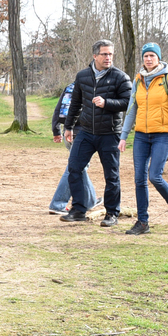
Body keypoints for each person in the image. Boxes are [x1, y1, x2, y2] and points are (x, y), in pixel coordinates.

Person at [60, 40, 131, 226]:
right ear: (95, 56)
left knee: (111, 175)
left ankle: (112, 213)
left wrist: (107, 103)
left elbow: (128, 102)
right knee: (74, 168)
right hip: (86, 132)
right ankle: (78, 209)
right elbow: (75, 103)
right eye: (104, 54)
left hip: (110, 133)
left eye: (110, 54)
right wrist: (68, 127)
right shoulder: (82, 76)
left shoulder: (120, 77)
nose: (108, 58)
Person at [118, 43, 168, 235]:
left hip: (162, 134)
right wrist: (124, 136)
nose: (148, 59)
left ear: (158, 58)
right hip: (141, 136)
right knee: (139, 178)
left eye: (152, 56)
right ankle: (143, 223)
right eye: (146, 56)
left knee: (154, 176)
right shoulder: (138, 80)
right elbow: (131, 110)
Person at [49, 82, 97, 214]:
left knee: (80, 167)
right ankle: (58, 204)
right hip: (81, 134)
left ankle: (91, 200)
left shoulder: (70, 87)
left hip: (67, 132)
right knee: (74, 167)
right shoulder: (92, 87)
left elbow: (58, 109)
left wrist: (56, 130)